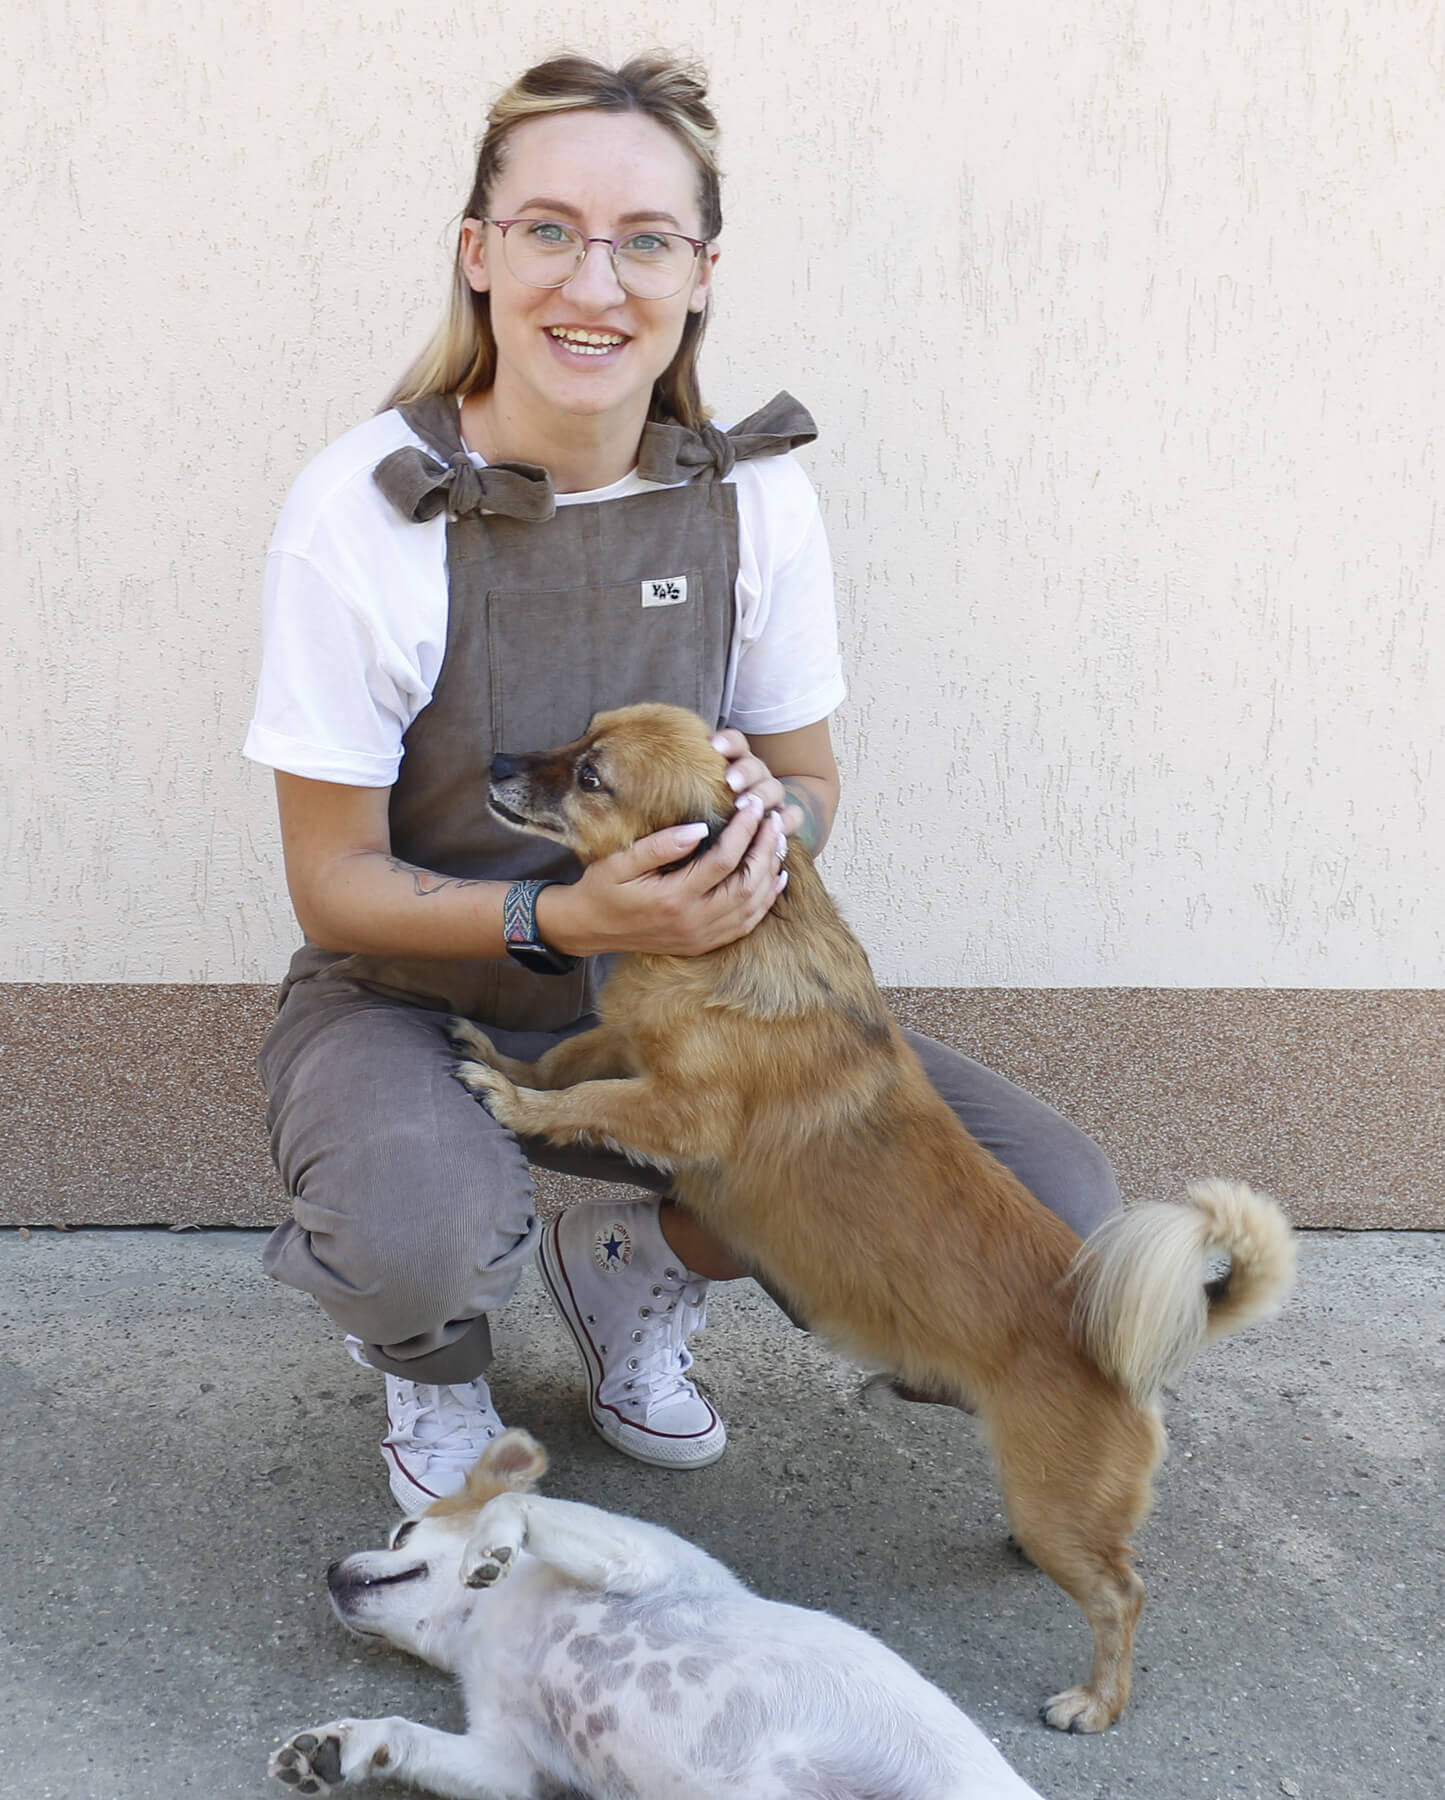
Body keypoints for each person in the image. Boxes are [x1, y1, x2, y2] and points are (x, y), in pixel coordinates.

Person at [245, 51, 1123, 1514]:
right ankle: (434, 1357)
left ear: (699, 273)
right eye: (548, 231)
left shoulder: (751, 493)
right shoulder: (362, 511)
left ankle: (639, 1261)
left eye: (643, 239)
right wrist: (566, 924)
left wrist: (775, 835)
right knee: (415, 1229)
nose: (595, 284)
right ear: (478, 255)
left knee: (1058, 1236)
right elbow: (330, 881)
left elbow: (808, 773)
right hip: (416, 991)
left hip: (706, 1007)